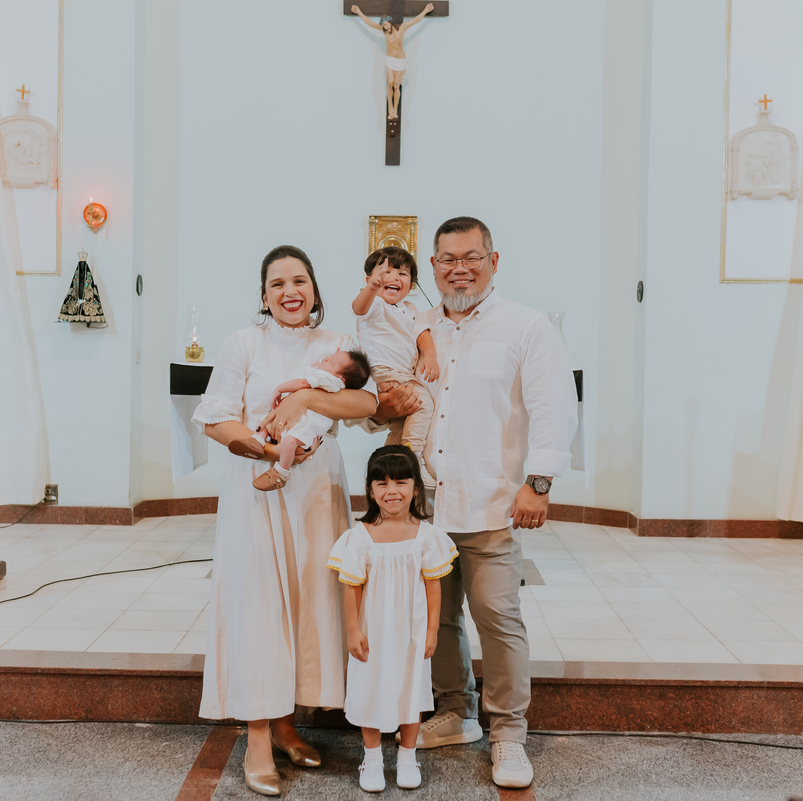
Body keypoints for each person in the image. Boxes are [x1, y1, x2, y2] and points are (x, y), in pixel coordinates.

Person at [376, 217, 578, 789]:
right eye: (447, 259)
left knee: (497, 617)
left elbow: (553, 406)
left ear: (494, 259)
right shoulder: (416, 326)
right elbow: (392, 397)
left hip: (491, 500)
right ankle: (455, 711)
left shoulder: (525, 326)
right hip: (424, 505)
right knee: (437, 616)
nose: (459, 267)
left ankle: (509, 734)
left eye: (471, 256)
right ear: (432, 265)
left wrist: (537, 482)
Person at [193, 245, 379, 797]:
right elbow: (214, 417)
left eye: (299, 281)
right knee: (259, 608)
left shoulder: (338, 344)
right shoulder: (242, 343)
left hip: (317, 493)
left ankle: (284, 723)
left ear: (315, 289)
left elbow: (367, 406)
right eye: (276, 284)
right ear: (264, 295)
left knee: (307, 605)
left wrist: (305, 407)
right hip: (257, 492)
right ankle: (255, 736)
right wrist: (260, 450)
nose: (289, 292)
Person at [329, 445, 457, 793]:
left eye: (401, 482)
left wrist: (431, 629)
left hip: (411, 633)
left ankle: (406, 755)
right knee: (369, 688)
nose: (392, 491)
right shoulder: (359, 539)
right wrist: (352, 630)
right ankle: (371, 757)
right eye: (382, 483)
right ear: (370, 489)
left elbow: (433, 587)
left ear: (416, 487)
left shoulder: (427, 538)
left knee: (411, 689)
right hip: (373, 631)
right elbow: (351, 588)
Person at [352, 247, 439, 484]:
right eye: (385, 272)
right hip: (383, 372)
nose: (392, 278)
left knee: (401, 423)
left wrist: (429, 355)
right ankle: (413, 457)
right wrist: (371, 288)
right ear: (370, 279)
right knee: (422, 403)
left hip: (403, 374)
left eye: (402, 274)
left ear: (411, 286)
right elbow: (358, 308)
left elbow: (423, 335)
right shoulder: (374, 305)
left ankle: (392, 467)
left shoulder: (411, 310)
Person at [232, 348, 372, 491]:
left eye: (331, 361)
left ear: (341, 378)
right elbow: (317, 367)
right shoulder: (332, 381)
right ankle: (256, 442)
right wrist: (328, 360)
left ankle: (281, 472)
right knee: (271, 422)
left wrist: (280, 388)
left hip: (306, 423)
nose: (326, 359)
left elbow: (302, 383)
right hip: (299, 419)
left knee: (287, 440)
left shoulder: (328, 380)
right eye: (329, 357)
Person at [351, 3, 435, 119]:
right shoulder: (384, 31)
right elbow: (369, 23)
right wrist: (359, 12)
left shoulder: (402, 28)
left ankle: (395, 109)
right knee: (390, 83)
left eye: (386, 25)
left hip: (400, 60)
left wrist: (425, 10)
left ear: (389, 22)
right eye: (383, 26)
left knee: (396, 85)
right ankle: (390, 108)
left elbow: (415, 20)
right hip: (389, 60)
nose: (385, 28)